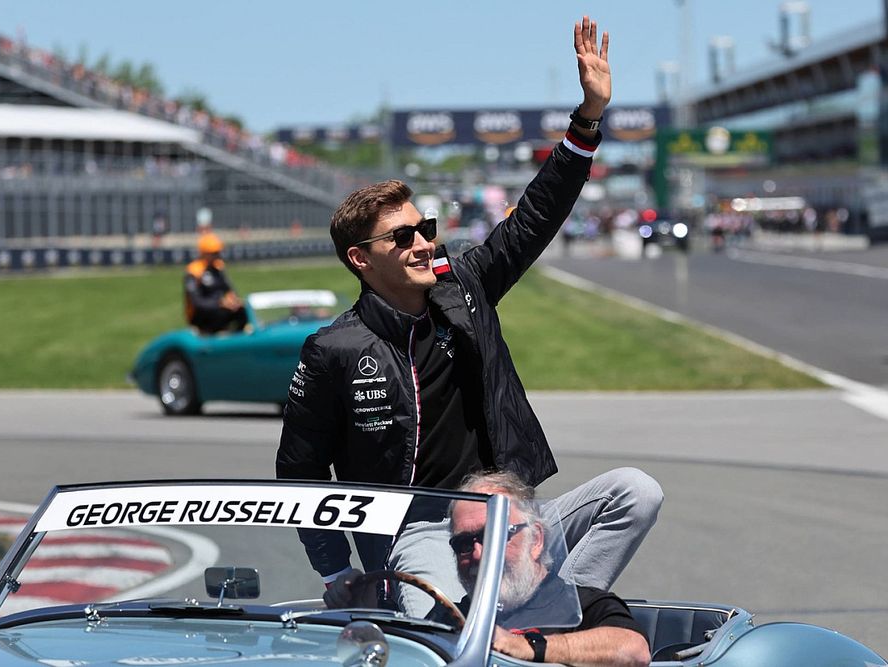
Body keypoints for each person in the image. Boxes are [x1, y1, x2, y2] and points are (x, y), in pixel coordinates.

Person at [277, 15, 662, 599]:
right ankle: (503, 626)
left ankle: (555, 611)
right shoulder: (335, 350)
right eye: (400, 238)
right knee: (446, 627)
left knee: (636, 492)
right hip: (418, 537)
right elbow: (300, 477)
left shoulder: (467, 285)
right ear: (360, 259)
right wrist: (337, 572)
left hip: (510, 520)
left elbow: (536, 216)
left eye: (423, 228)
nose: (421, 243)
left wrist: (588, 117)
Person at [449, 471, 651, 666]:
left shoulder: (583, 605)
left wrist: (527, 647)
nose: (478, 554)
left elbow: (634, 650)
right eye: (463, 543)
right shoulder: (451, 615)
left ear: (535, 540)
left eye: (493, 535)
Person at [184, 232, 248, 334]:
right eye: (214, 253)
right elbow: (197, 302)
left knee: (243, 310)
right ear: (204, 253)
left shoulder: (218, 267)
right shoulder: (194, 271)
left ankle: (236, 340)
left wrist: (234, 301)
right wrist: (220, 303)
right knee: (220, 312)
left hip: (220, 309)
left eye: (218, 252)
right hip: (202, 315)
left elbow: (229, 288)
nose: (217, 255)